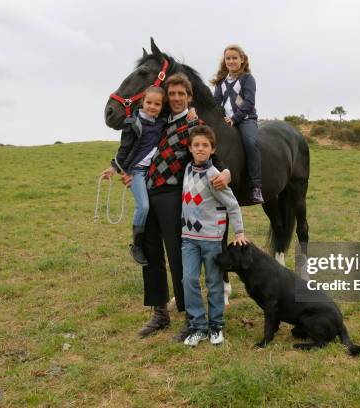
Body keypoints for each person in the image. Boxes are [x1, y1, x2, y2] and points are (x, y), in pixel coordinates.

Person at [126, 73, 232, 341]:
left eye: (180, 94)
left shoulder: (194, 123)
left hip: (175, 196)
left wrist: (226, 172)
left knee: (177, 257)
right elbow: (141, 148)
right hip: (150, 192)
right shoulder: (160, 122)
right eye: (171, 94)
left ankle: (189, 316)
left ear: (189, 97)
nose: (175, 99)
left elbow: (210, 152)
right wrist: (128, 171)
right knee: (151, 254)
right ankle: (159, 313)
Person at [180, 125, 248, 347]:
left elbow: (233, 205)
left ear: (212, 149)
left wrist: (239, 232)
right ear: (189, 148)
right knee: (189, 280)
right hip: (188, 238)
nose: (200, 149)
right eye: (196, 145)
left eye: (205, 146)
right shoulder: (187, 169)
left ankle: (216, 325)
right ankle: (198, 326)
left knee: (214, 282)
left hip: (211, 239)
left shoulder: (214, 176)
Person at [100, 86, 166, 265]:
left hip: (153, 172)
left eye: (157, 104)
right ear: (142, 102)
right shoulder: (132, 123)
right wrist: (113, 167)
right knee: (143, 206)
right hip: (136, 172)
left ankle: (151, 243)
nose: (152, 107)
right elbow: (124, 148)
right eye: (149, 102)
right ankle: (136, 245)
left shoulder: (162, 123)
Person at [212, 44, 263, 203]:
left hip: (245, 120)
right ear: (224, 61)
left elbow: (249, 102)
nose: (231, 61)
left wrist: (235, 118)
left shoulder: (247, 78)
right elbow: (215, 104)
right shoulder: (221, 82)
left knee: (250, 142)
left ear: (242, 60)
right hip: (225, 122)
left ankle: (256, 186)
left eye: (235, 58)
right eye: (228, 58)